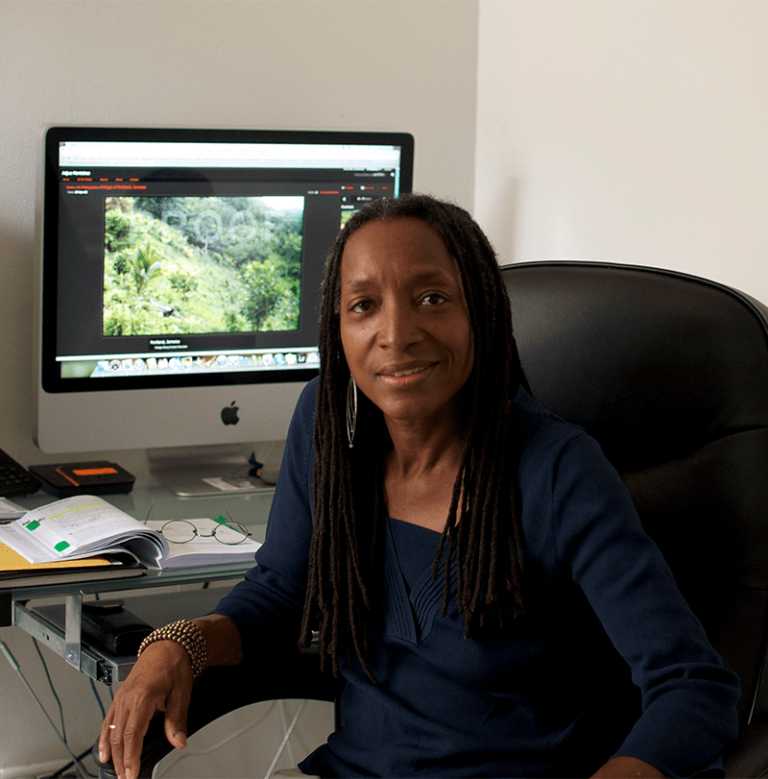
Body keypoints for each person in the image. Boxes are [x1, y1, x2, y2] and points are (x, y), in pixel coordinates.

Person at [99, 194, 740, 779]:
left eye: (433, 298)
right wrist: (175, 644)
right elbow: (280, 593)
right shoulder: (330, 424)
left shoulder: (557, 469)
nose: (397, 334)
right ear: (338, 329)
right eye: (363, 305)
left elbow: (694, 687)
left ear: (480, 314)